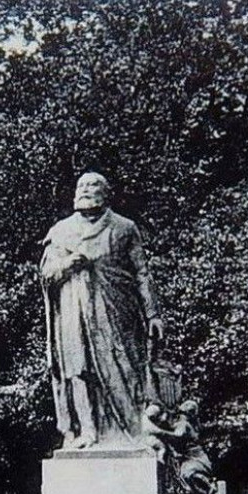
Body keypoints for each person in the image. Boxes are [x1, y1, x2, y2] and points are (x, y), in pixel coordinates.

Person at [39, 172, 164, 449]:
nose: (84, 190)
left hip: (117, 312)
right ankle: (87, 431)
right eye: (80, 186)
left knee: (125, 368)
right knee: (78, 369)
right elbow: (46, 273)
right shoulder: (60, 231)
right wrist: (68, 265)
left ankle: (133, 431)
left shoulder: (124, 228)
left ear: (106, 194)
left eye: (92, 186)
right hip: (73, 310)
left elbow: (142, 273)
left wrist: (152, 314)